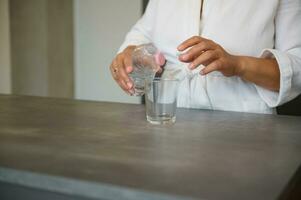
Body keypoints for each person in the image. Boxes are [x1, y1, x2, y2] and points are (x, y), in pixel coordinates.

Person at [110, 0, 301, 114]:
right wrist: (129, 54)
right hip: (169, 120)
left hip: (246, 128)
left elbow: (297, 64)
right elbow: (142, 34)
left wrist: (239, 65)